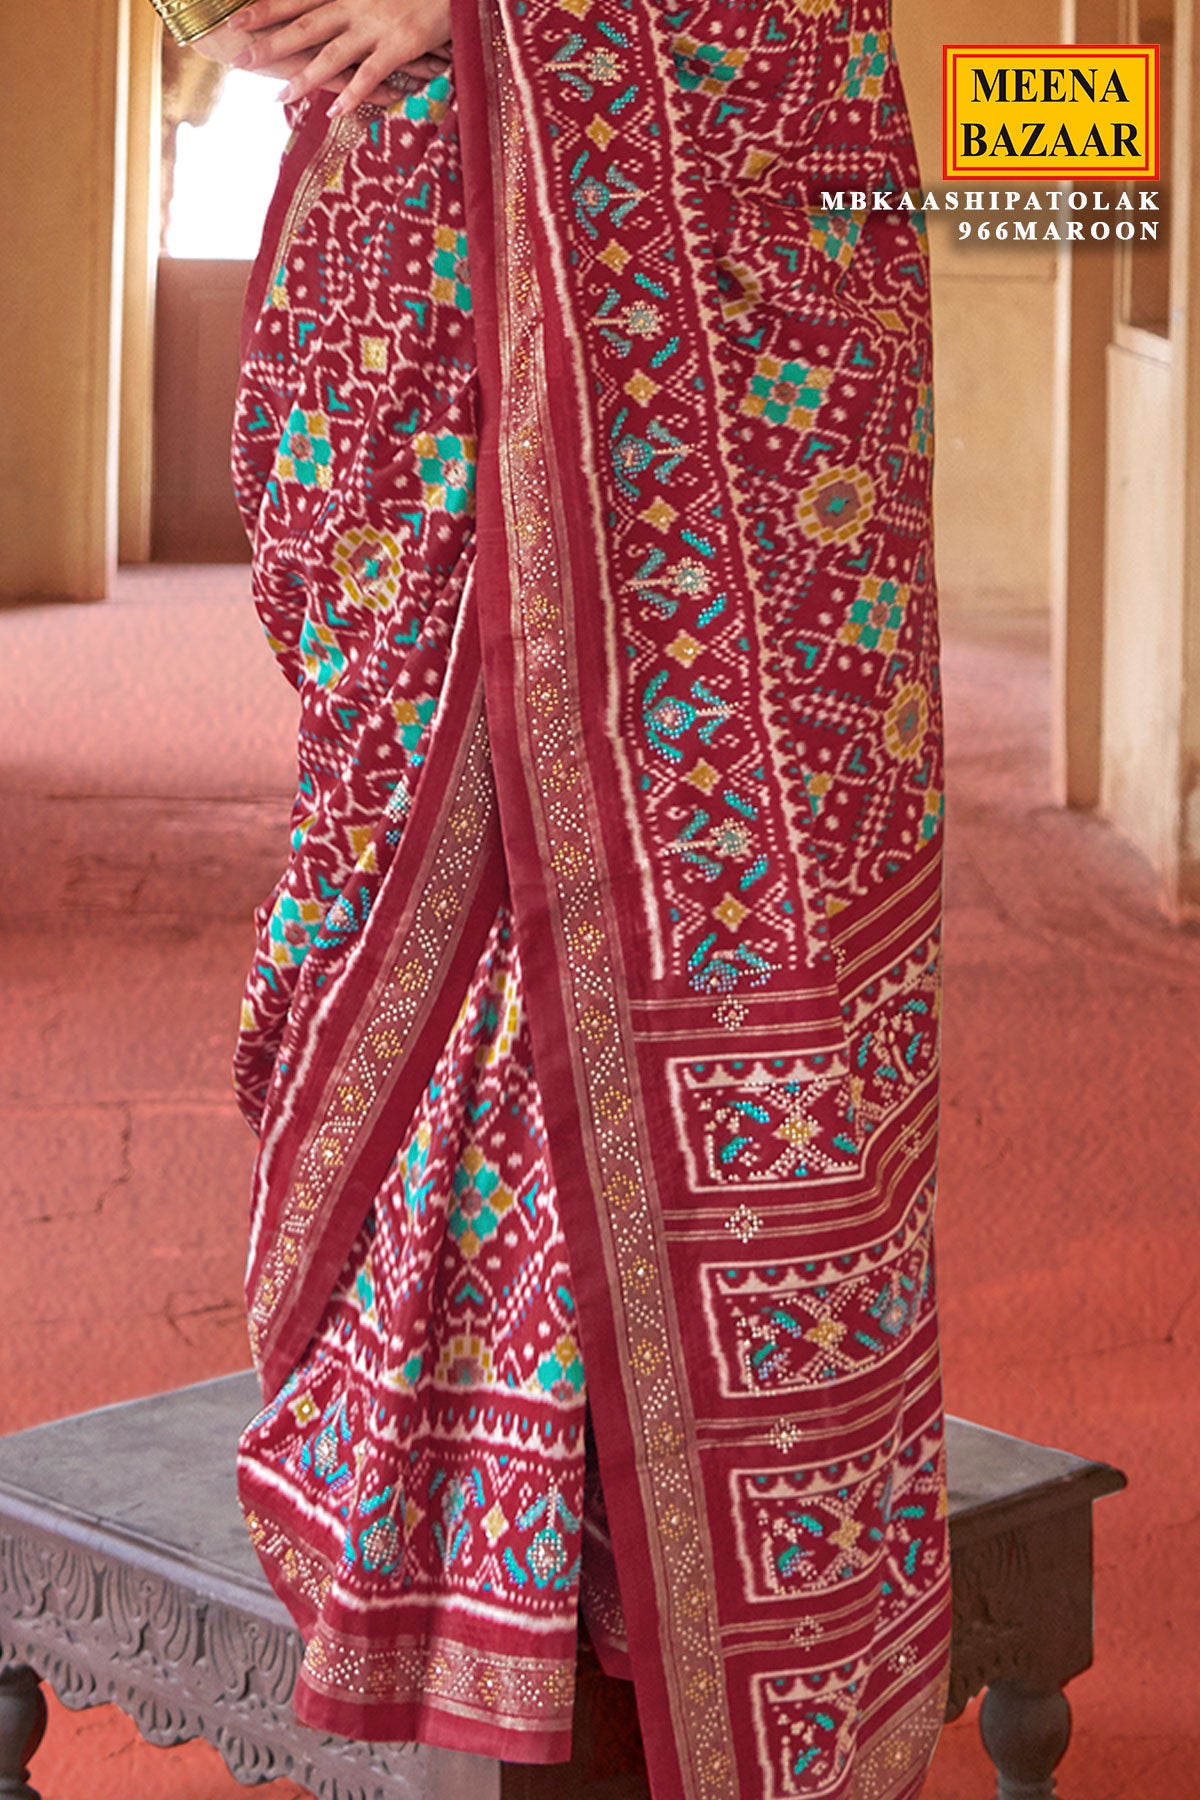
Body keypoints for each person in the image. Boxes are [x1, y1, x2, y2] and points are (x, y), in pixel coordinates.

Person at [193, 0, 951, 1792]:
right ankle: (494, 1584)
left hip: (709, 370)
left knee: (678, 976)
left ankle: (620, 1619)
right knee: (461, 991)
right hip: (419, 314)